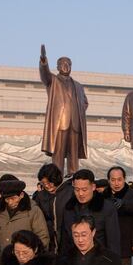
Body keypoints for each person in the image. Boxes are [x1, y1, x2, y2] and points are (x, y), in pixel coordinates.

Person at [39, 46, 88, 175]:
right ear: (58, 66)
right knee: (58, 154)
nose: (66, 66)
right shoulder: (53, 81)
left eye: (68, 64)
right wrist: (43, 61)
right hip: (60, 123)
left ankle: (73, 177)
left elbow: (85, 102)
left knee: (73, 155)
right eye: (63, 64)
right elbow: (44, 75)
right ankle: (57, 177)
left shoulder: (78, 86)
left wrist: (78, 111)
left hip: (75, 124)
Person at [61, 168, 121, 255]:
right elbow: (65, 239)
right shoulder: (69, 208)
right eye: (77, 190)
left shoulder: (107, 208)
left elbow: (113, 241)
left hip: (99, 261)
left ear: (93, 187)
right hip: (73, 261)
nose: (80, 194)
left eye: (84, 190)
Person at [0, 177, 49, 251]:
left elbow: (42, 237)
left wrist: (33, 254)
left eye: (13, 198)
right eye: (7, 199)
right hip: (2, 258)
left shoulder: (33, 211)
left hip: (26, 258)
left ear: (21, 195)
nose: (10, 202)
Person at [105, 165, 133, 265]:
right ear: (108, 180)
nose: (116, 183)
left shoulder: (132, 194)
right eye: (113, 180)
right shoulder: (103, 196)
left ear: (124, 179)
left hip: (124, 244)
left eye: (119, 179)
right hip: (105, 243)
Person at [33, 163, 74, 252]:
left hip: (68, 240)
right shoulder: (40, 196)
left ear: (56, 179)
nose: (47, 186)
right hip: (49, 241)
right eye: (43, 183)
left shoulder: (70, 192)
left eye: (49, 182)